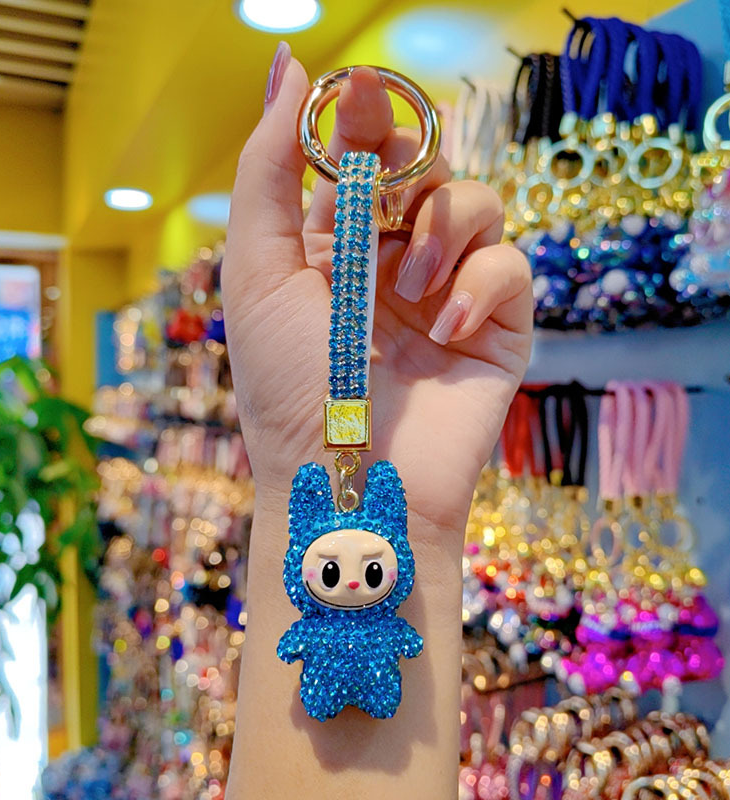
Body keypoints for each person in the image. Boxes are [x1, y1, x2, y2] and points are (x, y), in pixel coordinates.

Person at [221, 42, 533, 799]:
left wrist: (425, 535)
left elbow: (373, 630)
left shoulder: (381, 554)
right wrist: (292, 470)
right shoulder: (318, 533)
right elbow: (300, 635)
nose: (351, 580)